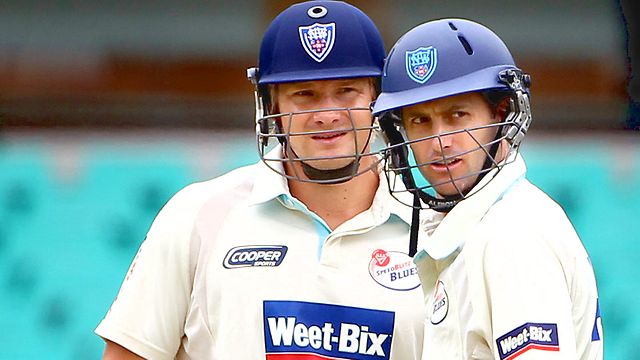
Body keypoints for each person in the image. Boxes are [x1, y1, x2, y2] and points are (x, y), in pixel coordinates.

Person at [95, 1, 425, 359]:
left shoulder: (433, 227)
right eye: (305, 95)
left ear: (376, 100)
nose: (327, 115)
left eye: (346, 91)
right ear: (271, 107)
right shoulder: (197, 215)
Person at [372, 18, 603, 359]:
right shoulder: (483, 226)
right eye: (420, 120)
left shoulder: (511, 235)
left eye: (457, 115)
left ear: (502, 114)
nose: (440, 141)